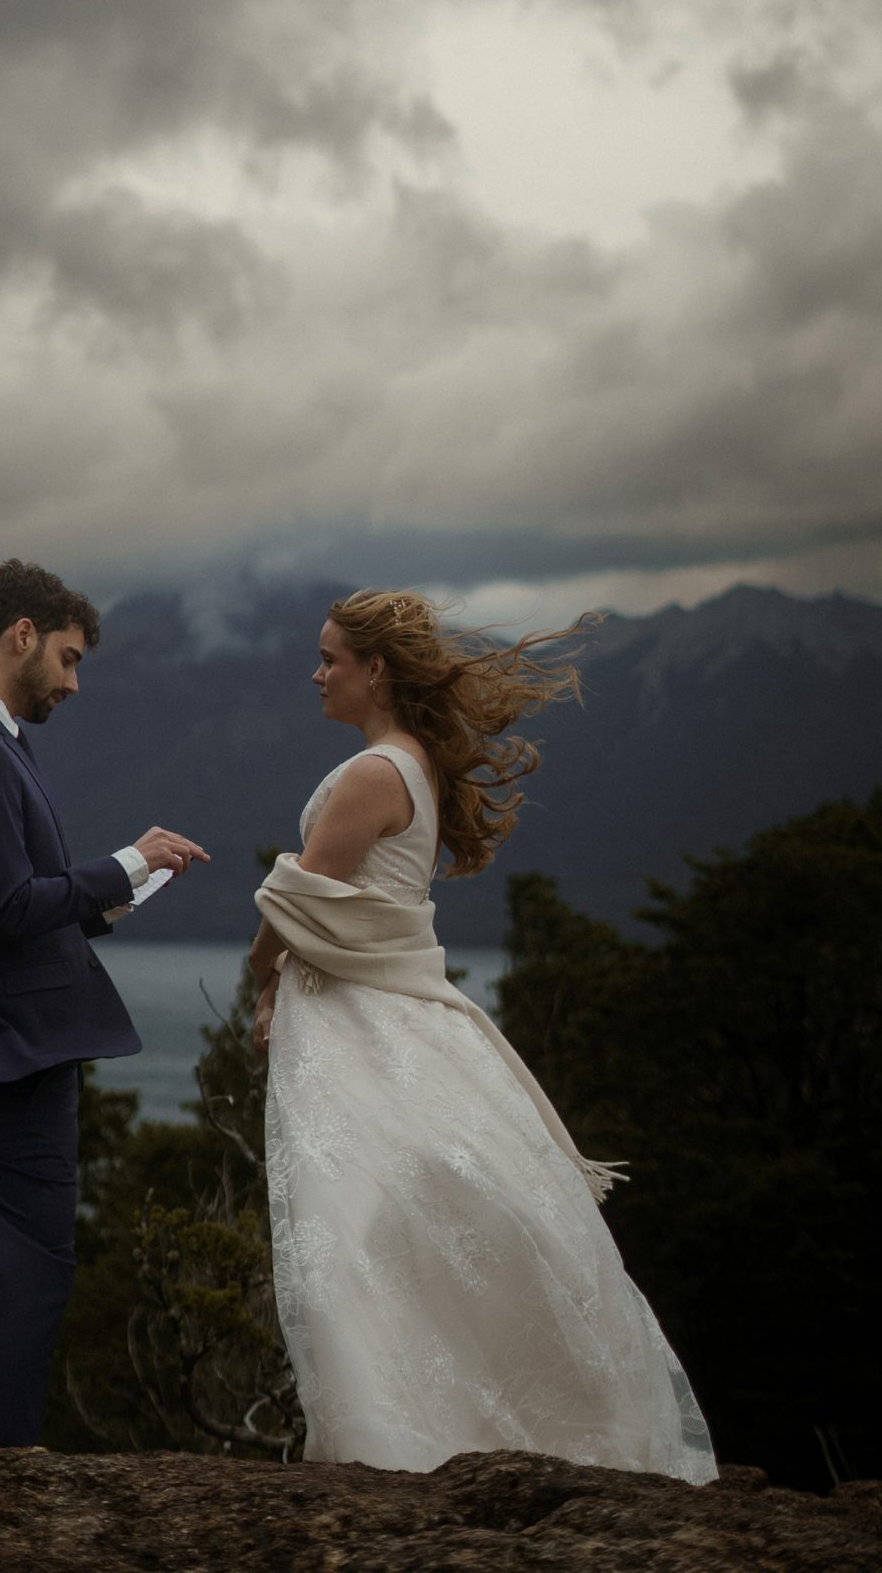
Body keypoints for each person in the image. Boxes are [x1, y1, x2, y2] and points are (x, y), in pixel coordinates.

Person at [250, 587, 716, 1482]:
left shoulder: (374, 772)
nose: (316, 675)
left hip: (355, 1023)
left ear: (374, 669)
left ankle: (384, 1443)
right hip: (386, 1010)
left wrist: (259, 970)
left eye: (330, 659)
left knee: (350, 1232)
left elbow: (299, 900)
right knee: (399, 1225)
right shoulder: (415, 763)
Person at [0, 557, 208, 1454]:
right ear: (22, 636)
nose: (73, 684)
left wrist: (114, 897)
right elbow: (6, 909)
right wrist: (124, 863)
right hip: (16, 1051)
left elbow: (9, 901)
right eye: (69, 659)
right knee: (38, 1265)